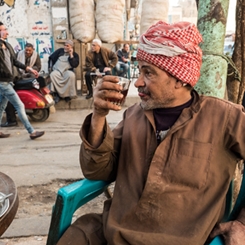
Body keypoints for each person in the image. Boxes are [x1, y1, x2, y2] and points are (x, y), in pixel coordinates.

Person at [57, 21, 245, 245]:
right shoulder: (134, 115)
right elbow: (97, 171)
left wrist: (241, 223)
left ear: (179, 78)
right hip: (112, 232)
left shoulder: (225, 117)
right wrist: (98, 116)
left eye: (149, 73)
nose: (137, 82)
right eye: (139, 70)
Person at [0, 21, 45, 139]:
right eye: (3, 30)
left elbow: (15, 62)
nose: (6, 32)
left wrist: (28, 69)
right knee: (19, 105)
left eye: (6, 29)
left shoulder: (7, 46)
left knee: (1, 107)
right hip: (2, 82)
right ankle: (31, 132)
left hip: (9, 80)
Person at [1, 42, 41, 127]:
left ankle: (30, 129)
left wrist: (30, 69)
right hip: (7, 78)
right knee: (4, 105)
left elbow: (15, 62)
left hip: (12, 78)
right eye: (26, 50)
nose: (27, 52)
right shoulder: (18, 53)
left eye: (29, 50)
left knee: (16, 104)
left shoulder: (8, 46)